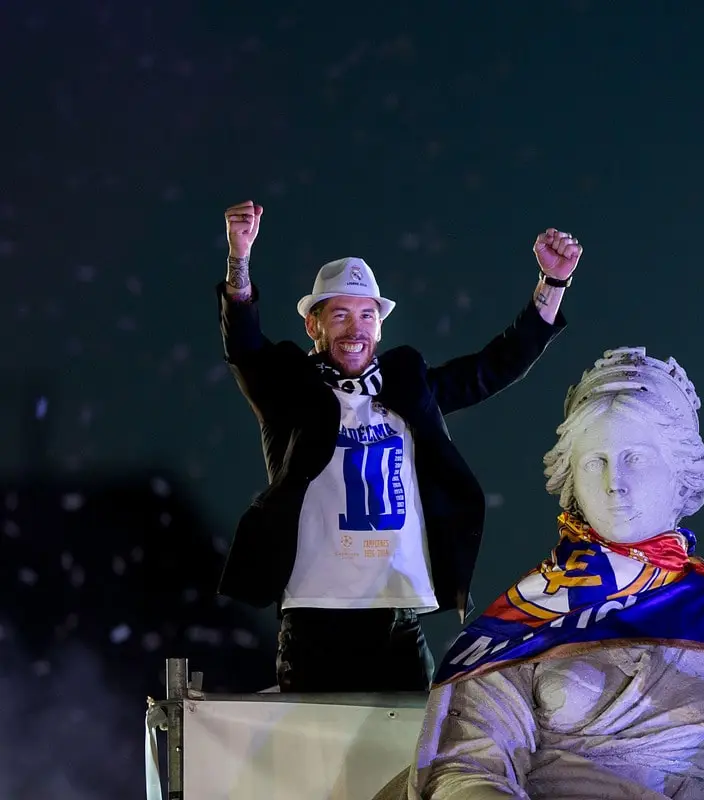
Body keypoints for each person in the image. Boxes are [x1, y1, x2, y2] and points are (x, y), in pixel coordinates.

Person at [377, 347, 704, 799]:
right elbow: (464, 766)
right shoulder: (525, 616)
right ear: (571, 481)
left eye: (636, 459)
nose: (615, 484)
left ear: (681, 476)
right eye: (595, 462)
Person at [215, 199, 579, 693]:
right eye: (339, 314)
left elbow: (493, 367)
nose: (354, 328)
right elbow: (244, 346)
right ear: (313, 326)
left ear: (380, 327)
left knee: (408, 764)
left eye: (366, 315)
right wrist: (240, 257)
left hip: (398, 619)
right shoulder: (289, 391)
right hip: (315, 619)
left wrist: (552, 285)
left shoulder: (409, 388)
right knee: (312, 762)